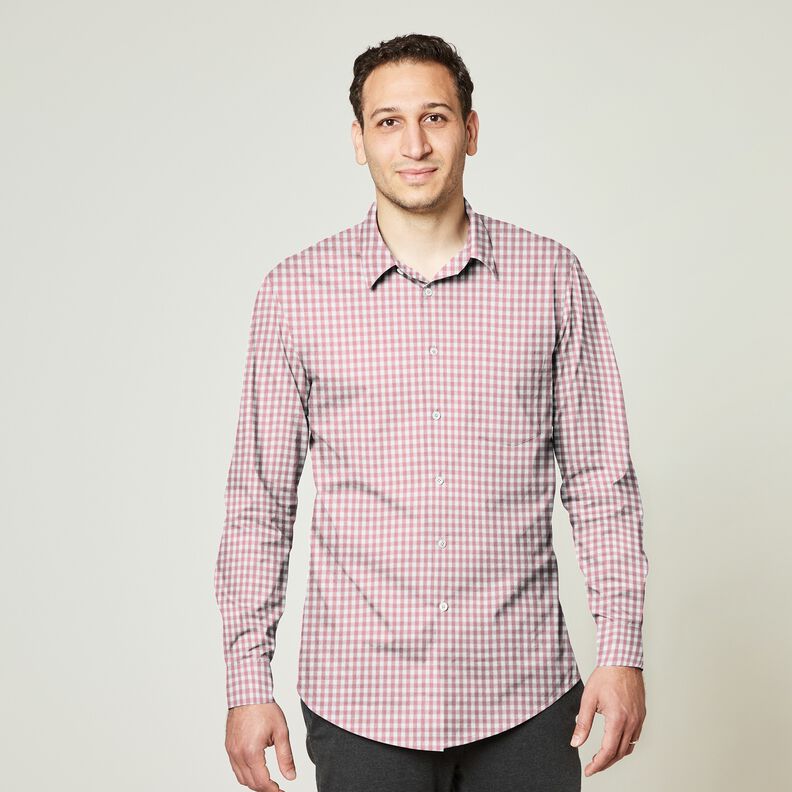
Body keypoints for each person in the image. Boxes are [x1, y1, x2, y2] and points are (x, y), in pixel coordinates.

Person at [213, 32, 649, 792]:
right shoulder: (295, 294)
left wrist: (622, 650)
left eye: (435, 118)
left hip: (525, 696)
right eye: (388, 122)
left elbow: (600, 480)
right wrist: (247, 682)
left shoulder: (551, 278)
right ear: (359, 141)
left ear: (470, 131)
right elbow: (260, 500)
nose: (413, 144)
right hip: (360, 703)